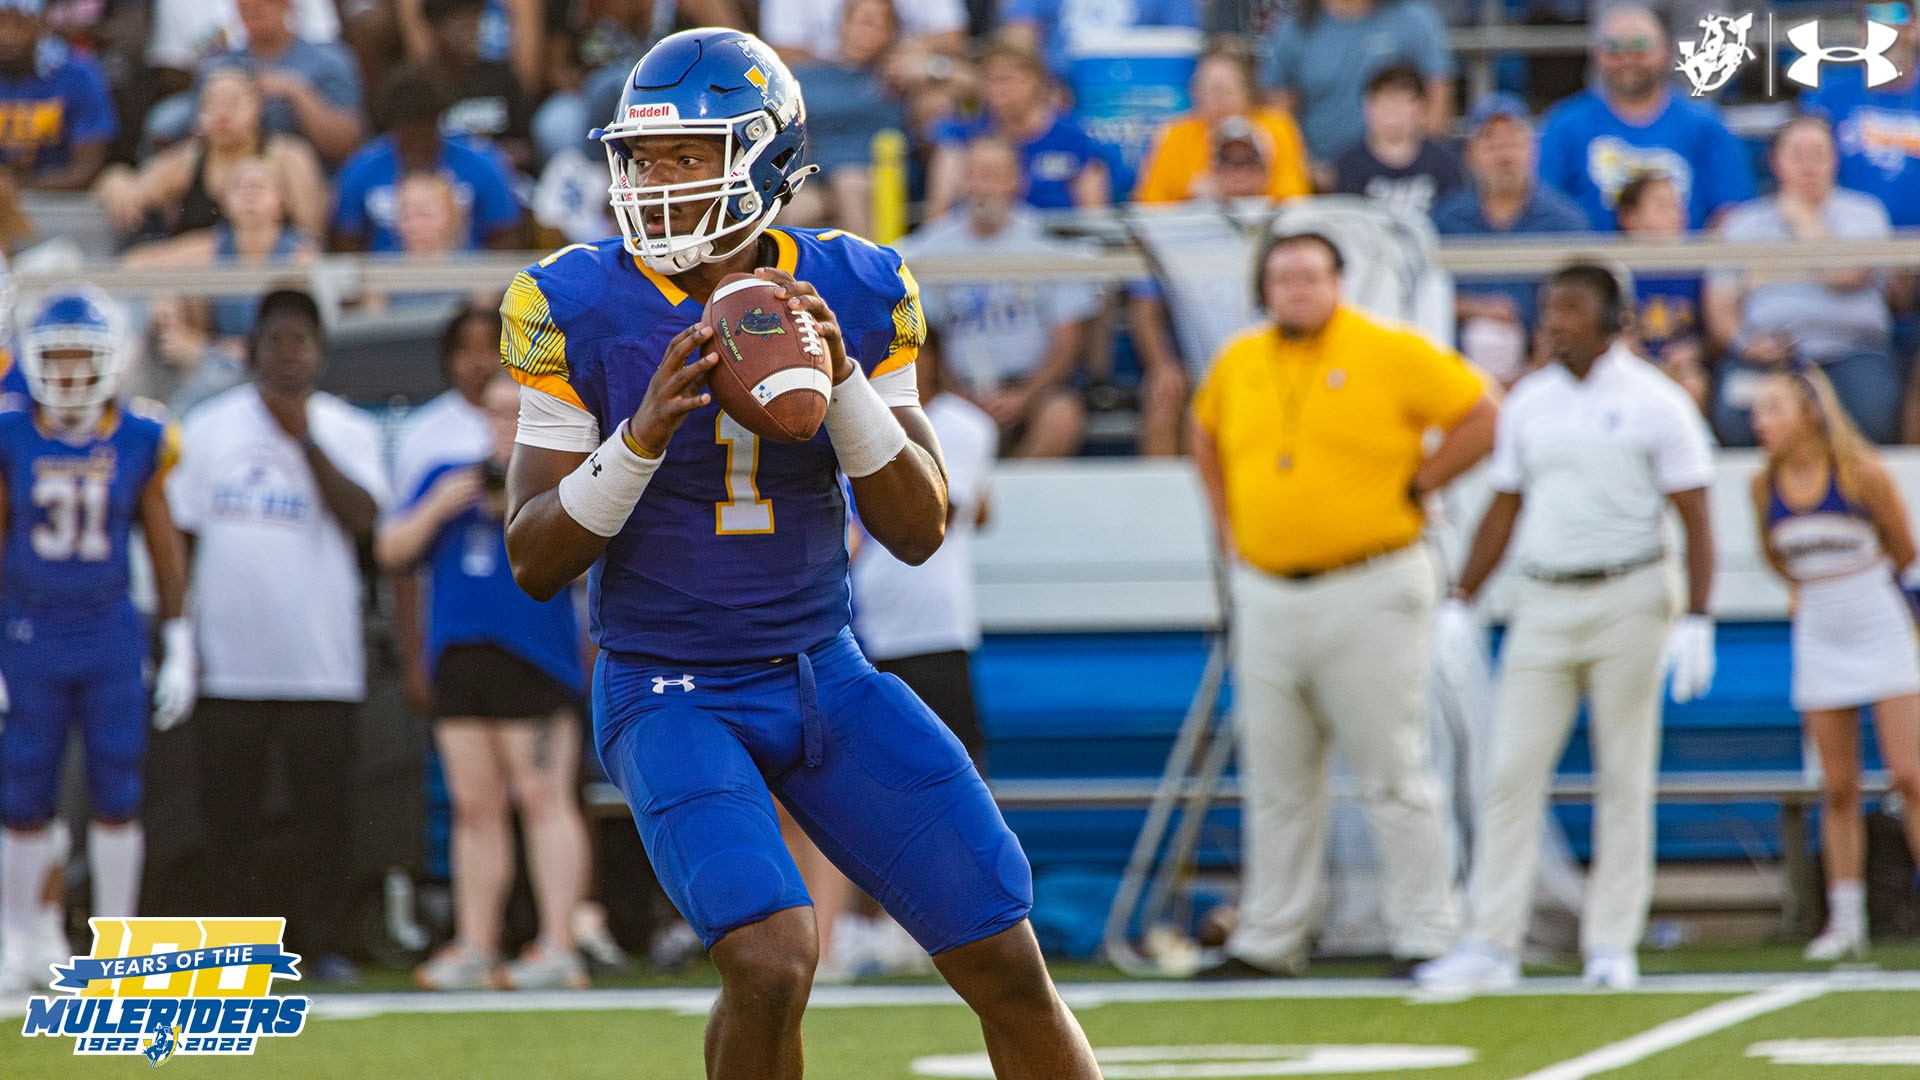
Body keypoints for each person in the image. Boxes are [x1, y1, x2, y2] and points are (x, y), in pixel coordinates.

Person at [497, 28, 1102, 1078]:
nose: (658, 181)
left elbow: (918, 528)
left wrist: (846, 382)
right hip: (669, 688)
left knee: (1004, 957)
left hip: (827, 676)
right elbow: (534, 559)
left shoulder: (857, 287)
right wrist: (638, 439)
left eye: (690, 155)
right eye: (644, 157)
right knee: (772, 958)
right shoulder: (576, 302)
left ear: (767, 159)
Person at [1189, 230, 1498, 979]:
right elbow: (1203, 433)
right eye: (1282, 277)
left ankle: (1427, 932)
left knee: (1394, 768)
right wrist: (1230, 530)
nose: (1296, 289)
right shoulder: (1239, 359)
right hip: (1267, 588)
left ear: (1338, 282)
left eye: (1310, 275)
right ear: (1264, 289)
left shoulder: (1388, 348)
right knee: (1276, 776)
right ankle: (1271, 939)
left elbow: (1485, 413)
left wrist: (1423, 483)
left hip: (1372, 581)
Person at [1416, 263, 1718, 995]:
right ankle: (1492, 942)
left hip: (1631, 593)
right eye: (1551, 307)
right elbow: (1505, 506)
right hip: (1542, 599)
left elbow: (1696, 516)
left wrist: (1698, 616)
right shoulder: (1529, 400)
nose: (1555, 321)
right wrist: (1461, 597)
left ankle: (1611, 943)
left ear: (1615, 320)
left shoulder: (1657, 402)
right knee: (1509, 773)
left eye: (1574, 308)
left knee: (1624, 774)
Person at [166, 288, 389, 984]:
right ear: (253, 349)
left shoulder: (349, 428)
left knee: (324, 815)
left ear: (319, 352)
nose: (288, 353)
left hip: (320, 664)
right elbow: (178, 537)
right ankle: (232, 950)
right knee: (228, 817)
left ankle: (322, 945)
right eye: (276, 340)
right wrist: (178, 639)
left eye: (300, 341)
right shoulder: (207, 428)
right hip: (227, 663)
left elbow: (365, 519)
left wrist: (304, 440)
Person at [0, 285, 195, 992]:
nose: (71, 373)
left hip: (108, 627)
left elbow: (164, 542)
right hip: (31, 626)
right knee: (24, 788)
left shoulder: (140, 436)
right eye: (59, 358)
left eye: (84, 358)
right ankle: (15, 939)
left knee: (118, 785)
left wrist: (179, 636)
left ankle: (116, 946)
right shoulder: (12, 433)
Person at [379, 370, 593, 990]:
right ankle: (476, 944)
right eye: (496, 412)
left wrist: (524, 508)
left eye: (516, 412)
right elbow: (391, 549)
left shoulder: (560, 479)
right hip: (462, 658)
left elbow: (590, 563)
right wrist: (439, 507)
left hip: (535, 656)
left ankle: (559, 944)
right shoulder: (450, 476)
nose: (505, 424)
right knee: (475, 806)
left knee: (543, 797)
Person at [1748, 365, 1920, 962]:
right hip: (1819, 633)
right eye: (1757, 410)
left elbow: (1905, 550)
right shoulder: (1762, 486)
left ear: (1810, 413)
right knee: (1838, 786)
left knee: (1911, 776)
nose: (1760, 421)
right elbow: (1775, 559)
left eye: (1773, 408)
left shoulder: (1861, 474)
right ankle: (1846, 920)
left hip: (1879, 623)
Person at [897, 135, 1102, 459]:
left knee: (1062, 416)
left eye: (994, 176)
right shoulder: (928, 248)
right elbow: (926, 343)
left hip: (1035, 388)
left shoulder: (1047, 244)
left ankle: (1019, 488)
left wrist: (1026, 395)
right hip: (956, 389)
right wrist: (957, 394)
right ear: (962, 182)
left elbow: (1067, 341)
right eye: (976, 174)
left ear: (1017, 182)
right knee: (917, 413)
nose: (984, 187)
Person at [1705, 116, 1899, 446]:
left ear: (1835, 160)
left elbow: (1845, 273)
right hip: (1768, 357)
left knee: (1871, 416)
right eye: (1797, 155)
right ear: (1774, 161)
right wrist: (1746, 343)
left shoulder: (1865, 214)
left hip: (1851, 352)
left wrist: (1803, 218)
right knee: (1735, 416)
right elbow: (1720, 303)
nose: (1808, 166)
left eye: (1818, 155)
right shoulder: (1742, 224)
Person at [1536, 4, 1754, 231]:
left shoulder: (1706, 125)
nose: (1627, 59)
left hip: (1687, 252)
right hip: (1590, 253)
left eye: (1640, 47)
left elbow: (1731, 213)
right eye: (1614, 49)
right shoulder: (1566, 126)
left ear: (1666, 52)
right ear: (1596, 55)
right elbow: (1544, 206)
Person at [1432, 92, 1588, 389]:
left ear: (1533, 149)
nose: (1504, 156)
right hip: (1457, 372)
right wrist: (1475, 308)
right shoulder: (1445, 220)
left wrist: (1543, 359)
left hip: (1549, 371)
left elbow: (1583, 299)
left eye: (1513, 142)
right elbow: (1422, 295)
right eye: (1491, 144)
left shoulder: (1565, 221)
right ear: (1470, 154)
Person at [92, 65, 327, 243]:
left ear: (257, 107)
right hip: (198, 282)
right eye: (213, 104)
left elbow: (312, 237)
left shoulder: (288, 157)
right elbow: (133, 190)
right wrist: (115, 179)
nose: (222, 114)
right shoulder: (186, 160)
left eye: (233, 103)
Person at [331, 65, 524, 253]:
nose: (418, 140)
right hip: (385, 272)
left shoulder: (482, 165)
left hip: (467, 271)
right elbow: (347, 240)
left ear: (437, 121)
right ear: (394, 126)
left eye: (425, 129)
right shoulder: (363, 169)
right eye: (408, 132)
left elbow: (505, 235)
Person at [924, 35, 1109, 219]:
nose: (998, 90)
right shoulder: (962, 137)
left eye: (1007, 79)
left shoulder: (1074, 138)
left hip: (1055, 233)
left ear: (1036, 81)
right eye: (990, 80)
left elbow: (1093, 217)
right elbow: (938, 215)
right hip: (982, 233)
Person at [1260, 0, 1454, 169]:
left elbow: (1437, 99)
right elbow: (1280, 117)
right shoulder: (1294, 30)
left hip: (1402, 178)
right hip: (1319, 178)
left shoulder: (1413, 20)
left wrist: (1418, 169)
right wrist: (1308, 171)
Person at [783, 0, 907, 238]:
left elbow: (964, 86)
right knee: (792, 209)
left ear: (891, 33)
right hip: (819, 177)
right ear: (842, 25)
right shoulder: (808, 76)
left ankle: (867, 261)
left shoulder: (896, 77)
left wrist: (929, 67)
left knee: (849, 183)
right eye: (859, 21)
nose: (864, 32)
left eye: (875, 24)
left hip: (878, 174)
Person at [1133, 41, 1310, 205]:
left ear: (1248, 91)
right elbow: (1150, 202)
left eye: (1225, 91)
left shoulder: (1277, 127)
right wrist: (1190, 195)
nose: (1217, 100)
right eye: (1208, 90)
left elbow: (1295, 197)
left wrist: (1252, 190)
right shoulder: (1175, 134)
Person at [192, 0, 366, 166]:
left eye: (263, 3)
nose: (253, 8)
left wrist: (296, 92)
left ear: (286, 4)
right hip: (230, 170)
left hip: (308, 172)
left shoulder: (328, 62)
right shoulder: (220, 65)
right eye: (244, 5)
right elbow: (194, 130)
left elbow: (347, 146)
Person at [1803, 1, 1920, 230]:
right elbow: (1805, 166)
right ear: (1860, 33)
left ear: (1915, 29)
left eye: (1896, 24)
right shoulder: (1829, 96)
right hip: (1849, 239)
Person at [1615, 172, 1708, 408]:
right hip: (1633, 369)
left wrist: (1693, 351)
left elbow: (1710, 335)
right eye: (1661, 205)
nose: (1675, 214)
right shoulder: (1617, 272)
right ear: (1630, 217)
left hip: (1682, 368)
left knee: (1693, 384)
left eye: (1677, 205)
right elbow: (1619, 341)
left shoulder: (1696, 269)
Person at [0, 0, 115, 190]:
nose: (6, 36)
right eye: (1, 24)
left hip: (60, 200)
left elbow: (88, 167)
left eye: (19, 25)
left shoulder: (78, 74)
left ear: (41, 25)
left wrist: (21, 186)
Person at [1332, 63, 1464, 220]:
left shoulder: (1443, 161)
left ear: (1421, 108)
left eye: (1402, 101)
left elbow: (1455, 216)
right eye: (1385, 101)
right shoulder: (1350, 163)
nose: (1392, 110)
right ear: (1368, 107)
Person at [419, 0, 533, 172]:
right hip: (436, 179)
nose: (471, 34)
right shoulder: (418, 84)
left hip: (499, 176)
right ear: (434, 26)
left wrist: (495, 156)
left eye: (476, 22)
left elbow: (526, 149)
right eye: (461, 24)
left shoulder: (502, 78)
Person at [999, 0, 1199, 82]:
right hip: (1060, 86)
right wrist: (1043, 86)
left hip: (1140, 87)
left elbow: (1182, 43)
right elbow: (1019, 34)